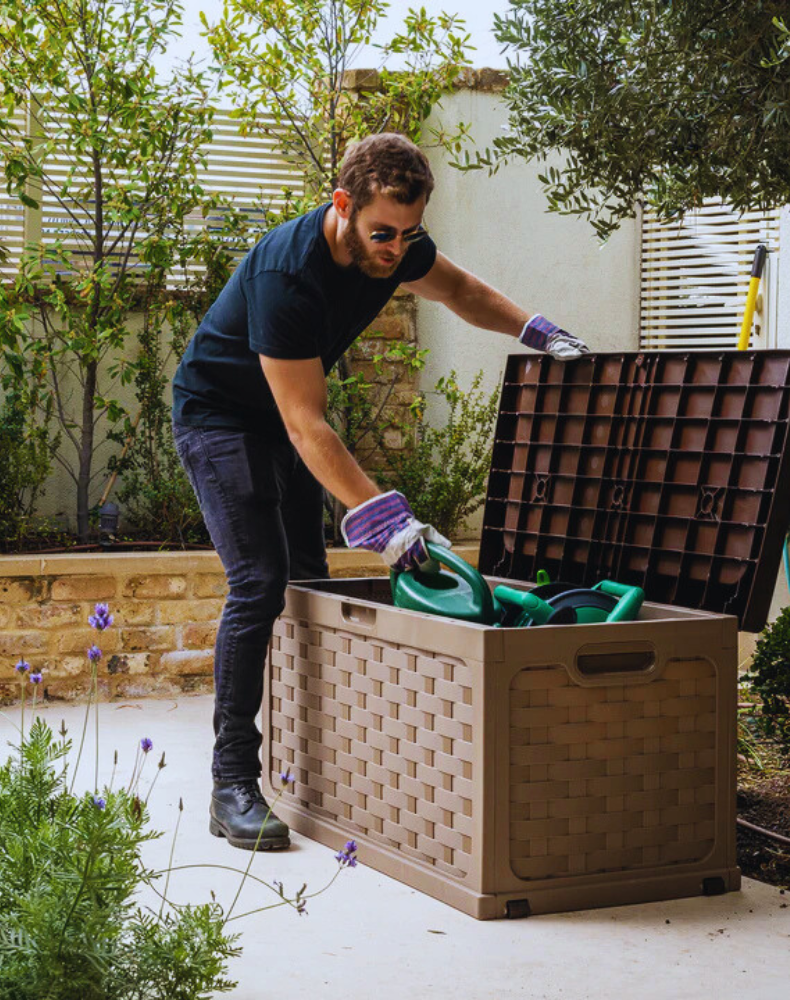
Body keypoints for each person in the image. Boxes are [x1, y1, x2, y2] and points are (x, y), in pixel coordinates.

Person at [171, 132, 590, 850]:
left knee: (308, 581)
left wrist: (537, 331)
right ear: (343, 205)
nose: (396, 250)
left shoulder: (394, 246)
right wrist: (386, 521)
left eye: (409, 233)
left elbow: (459, 290)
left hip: (281, 422)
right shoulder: (287, 275)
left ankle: (307, 759)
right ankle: (232, 782)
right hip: (221, 418)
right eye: (383, 233)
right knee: (260, 582)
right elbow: (306, 425)